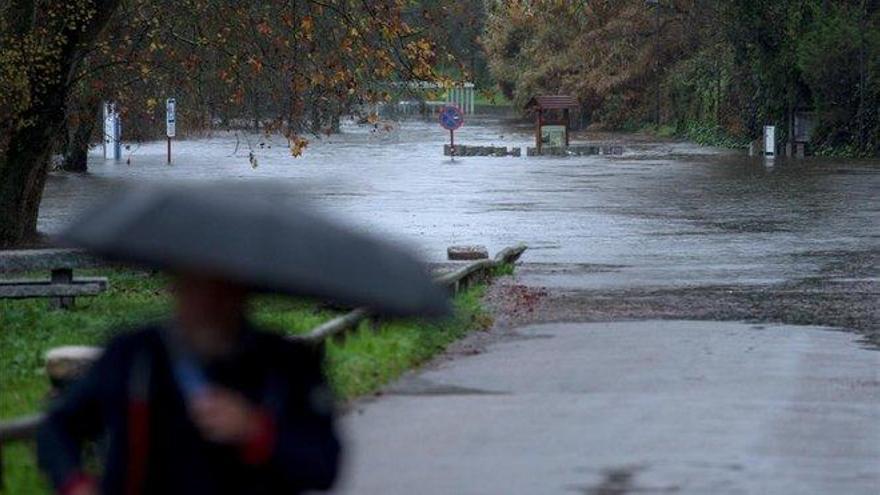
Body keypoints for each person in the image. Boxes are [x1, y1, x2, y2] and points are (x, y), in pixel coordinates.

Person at [37, 271, 341, 495]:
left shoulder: (286, 364)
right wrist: (74, 483)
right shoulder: (135, 355)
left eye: (223, 289)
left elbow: (324, 465)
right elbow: (57, 427)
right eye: (196, 286)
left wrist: (256, 431)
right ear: (175, 286)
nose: (209, 303)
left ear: (245, 291)